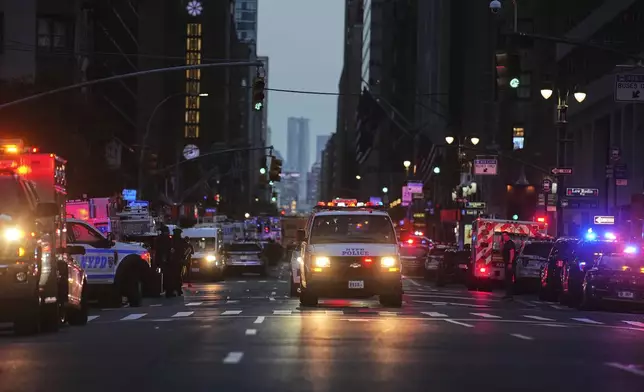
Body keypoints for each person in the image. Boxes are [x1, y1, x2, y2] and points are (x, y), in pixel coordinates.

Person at [501, 231, 516, 300]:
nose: (503, 237)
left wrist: (510, 262)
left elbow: (512, 252)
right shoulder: (506, 243)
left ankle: (510, 295)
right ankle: (508, 294)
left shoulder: (510, 243)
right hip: (507, 263)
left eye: (505, 235)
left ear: (508, 236)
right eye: (502, 236)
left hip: (510, 264)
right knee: (507, 279)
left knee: (509, 280)